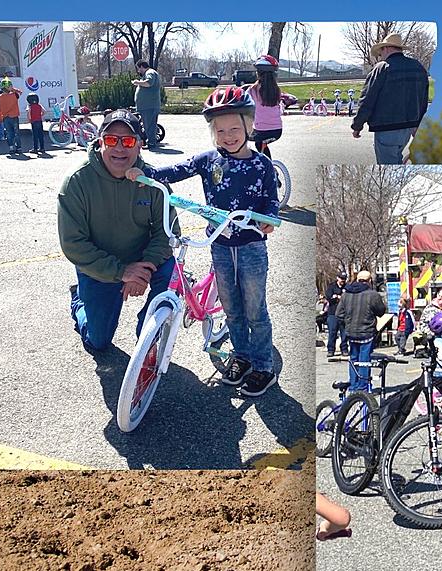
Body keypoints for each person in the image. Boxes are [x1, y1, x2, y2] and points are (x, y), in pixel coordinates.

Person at [126, 86, 279, 396]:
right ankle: (243, 356)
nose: (228, 135)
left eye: (235, 128)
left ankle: (263, 366)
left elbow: (270, 200)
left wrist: (267, 219)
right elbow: (176, 170)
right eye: (220, 130)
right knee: (232, 308)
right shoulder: (208, 159)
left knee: (254, 309)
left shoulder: (261, 163)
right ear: (213, 132)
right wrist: (143, 172)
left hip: (250, 248)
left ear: (249, 126)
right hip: (220, 247)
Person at [58, 110, 176, 354]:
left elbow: (167, 233)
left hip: (143, 260)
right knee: (98, 342)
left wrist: (144, 268)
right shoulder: (76, 183)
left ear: (140, 145)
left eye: (128, 141)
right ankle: (80, 301)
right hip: (100, 266)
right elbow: (73, 244)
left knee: (173, 275)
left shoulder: (154, 181)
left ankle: (147, 337)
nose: (120, 148)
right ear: (101, 142)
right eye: (112, 139)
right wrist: (121, 272)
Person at [351, 33, 430, 164]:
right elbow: (423, 100)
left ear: (386, 48)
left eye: (380, 52)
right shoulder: (418, 67)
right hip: (408, 128)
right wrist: (418, 124)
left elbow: (367, 100)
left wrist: (357, 126)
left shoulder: (381, 68)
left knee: (388, 165)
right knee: (396, 160)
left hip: (386, 128)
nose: (380, 56)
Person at [335, 270, 386, 392]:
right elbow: (381, 311)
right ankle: (362, 387)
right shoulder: (372, 295)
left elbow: (338, 314)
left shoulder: (346, 294)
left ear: (357, 280)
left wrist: (348, 323)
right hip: (367, 332)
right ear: (369, 281)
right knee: (364, 360)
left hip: (351, 332)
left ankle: (353, 386)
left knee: (353, 359)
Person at [247, 55, 283, 159]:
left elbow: (245, 106)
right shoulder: (276, 90)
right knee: (260, 145)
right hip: (277, 131)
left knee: (241, 138)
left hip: (261, 131)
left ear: (258, 73)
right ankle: (270, 167)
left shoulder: (252, 90)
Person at [132, 61, 162, 149]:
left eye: (138, 69)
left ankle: (151, 143)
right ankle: (151, 141)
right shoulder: (149, 73)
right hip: (147, 106)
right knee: (148, 125)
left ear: (141, 66)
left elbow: (148, 83)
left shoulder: (150, 73)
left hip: (149, 106)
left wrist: (137, 82)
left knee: (149, 125)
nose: (138, 71)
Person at [0, 78, 22, 153]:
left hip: (5, 117)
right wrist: (13, 89)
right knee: (16, 133)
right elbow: (20, 92)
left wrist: (0, 118)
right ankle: (19, 148)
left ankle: (11, 148)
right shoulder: (14, 95)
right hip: (14, 116)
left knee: (9, 133)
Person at [325, 273, 348, 357]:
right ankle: (331, 350)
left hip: (344, 314)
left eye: (344, 279)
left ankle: (344, 349)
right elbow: (328, 297)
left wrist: (338, 296)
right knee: (332, 332)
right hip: (333, 313)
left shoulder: (347, 287)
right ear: (337, 278)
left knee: (344, 333)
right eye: (341, 278)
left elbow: (348, 298)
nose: (343, 280)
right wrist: (337, 297)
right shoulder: (332, 286)